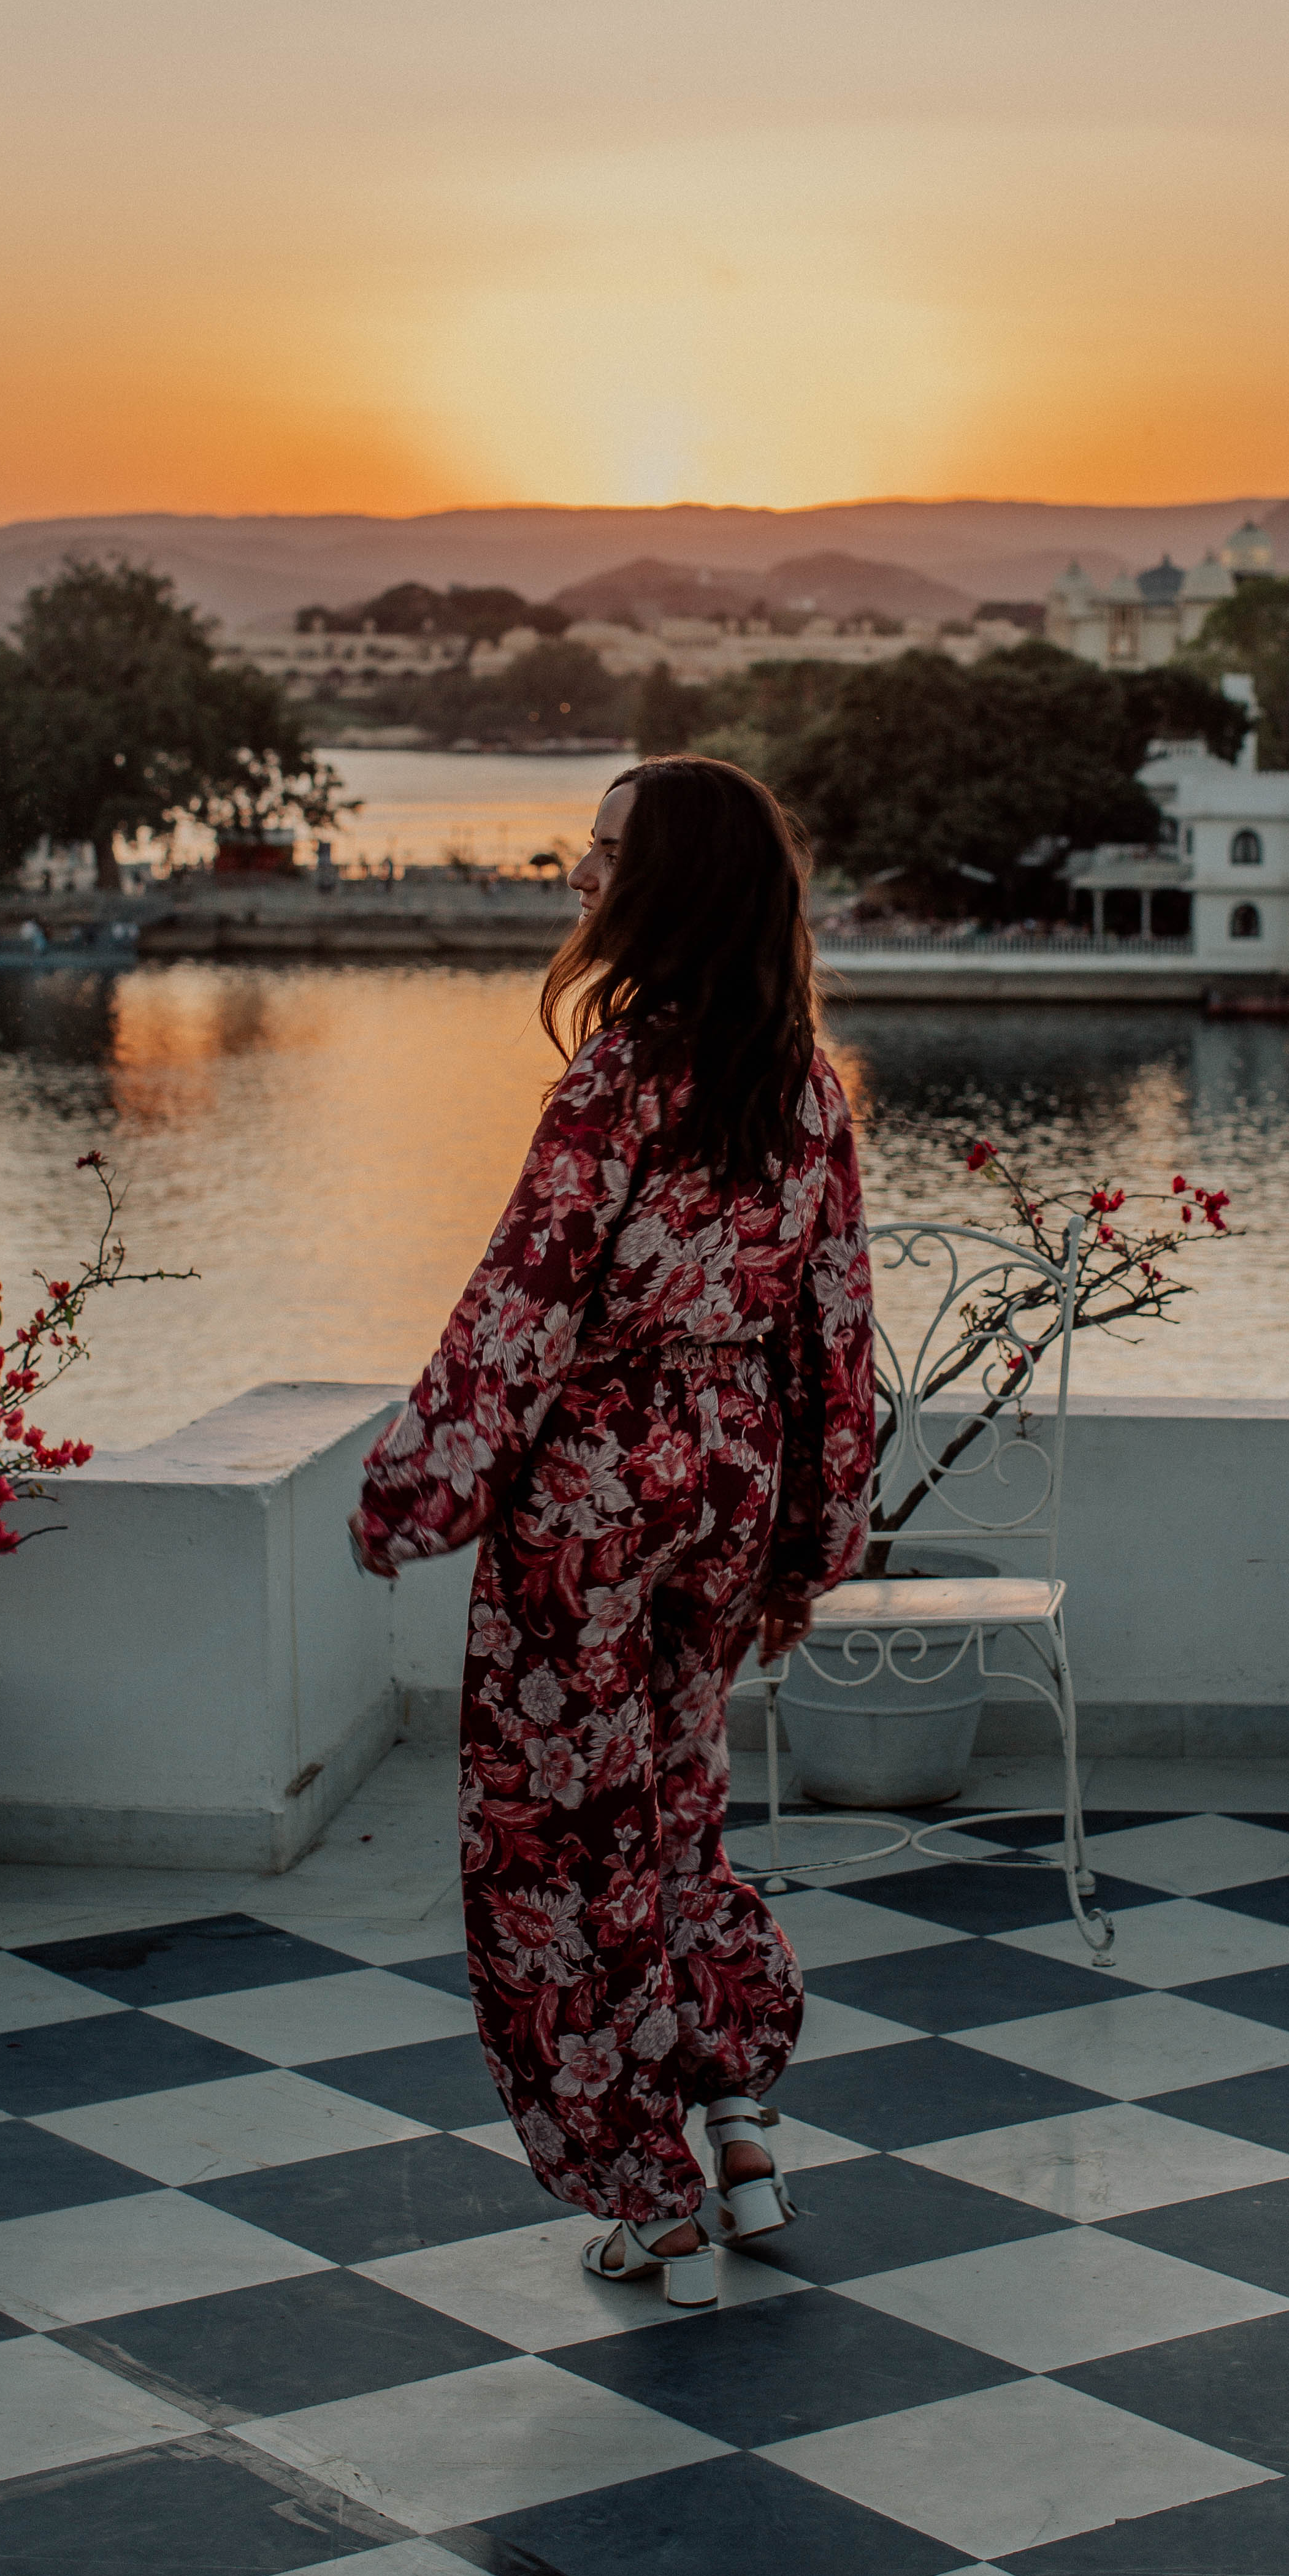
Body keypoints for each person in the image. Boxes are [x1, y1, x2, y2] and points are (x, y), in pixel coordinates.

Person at [350, 755, 875, 2309]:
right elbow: (838, 1335)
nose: (578, 879)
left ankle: (646, 2198)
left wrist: (412, 1491)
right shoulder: (805, 1088)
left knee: (556, 1842)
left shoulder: (619, 1081)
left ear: (668, 887)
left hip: (592, 1492)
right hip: (728, 1482)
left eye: (600, 856)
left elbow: (526, 1302)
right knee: (676, 1804)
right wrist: (807, 1538)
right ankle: (740, 2125)